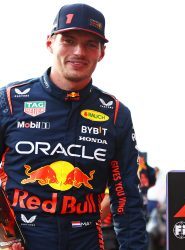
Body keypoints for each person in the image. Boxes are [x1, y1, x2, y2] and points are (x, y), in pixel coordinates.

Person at [0, 3, 147, 250]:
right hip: (21, 243)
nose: (79, 51)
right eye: (68, 40)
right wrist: (2, 238)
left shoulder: (116, 114)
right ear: (50, 43)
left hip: (85, 242)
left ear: (102, 52)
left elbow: (126, 200)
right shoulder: (10, 101)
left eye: (91, 44)